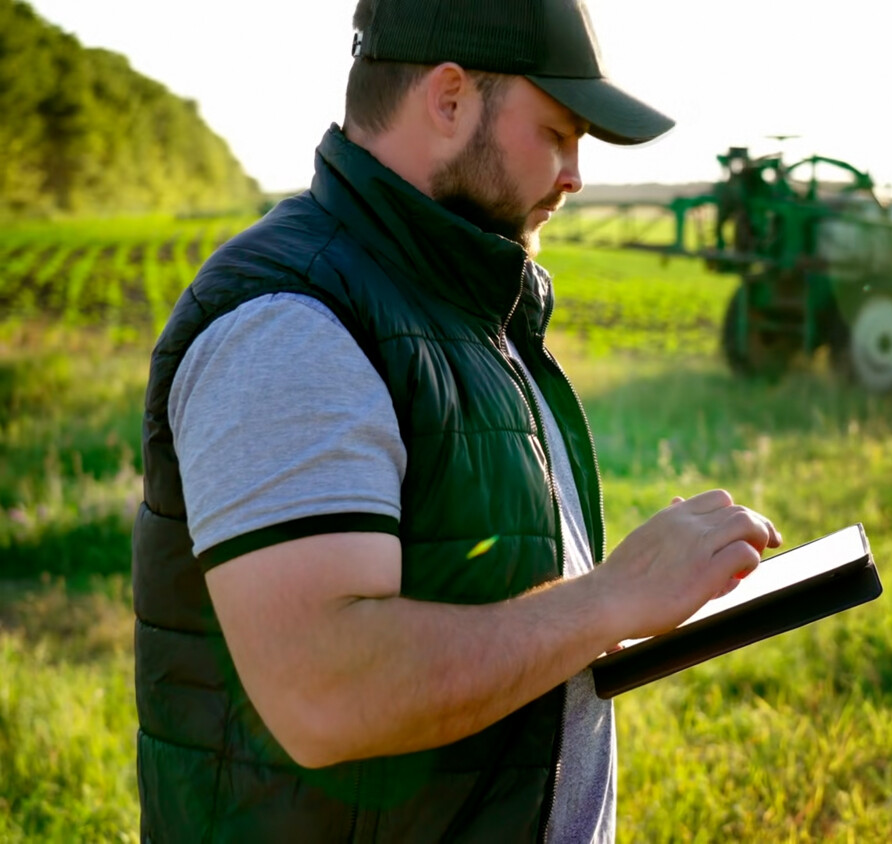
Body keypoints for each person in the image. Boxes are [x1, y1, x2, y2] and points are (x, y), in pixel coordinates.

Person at [131, 0, 782, 841]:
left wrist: (632, 609)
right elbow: (327, 694)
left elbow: (496, 612)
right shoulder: (290, 324)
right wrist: (609, 599)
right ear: (448, 101)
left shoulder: (459, 304)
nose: (577, 174)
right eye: (557, 131)